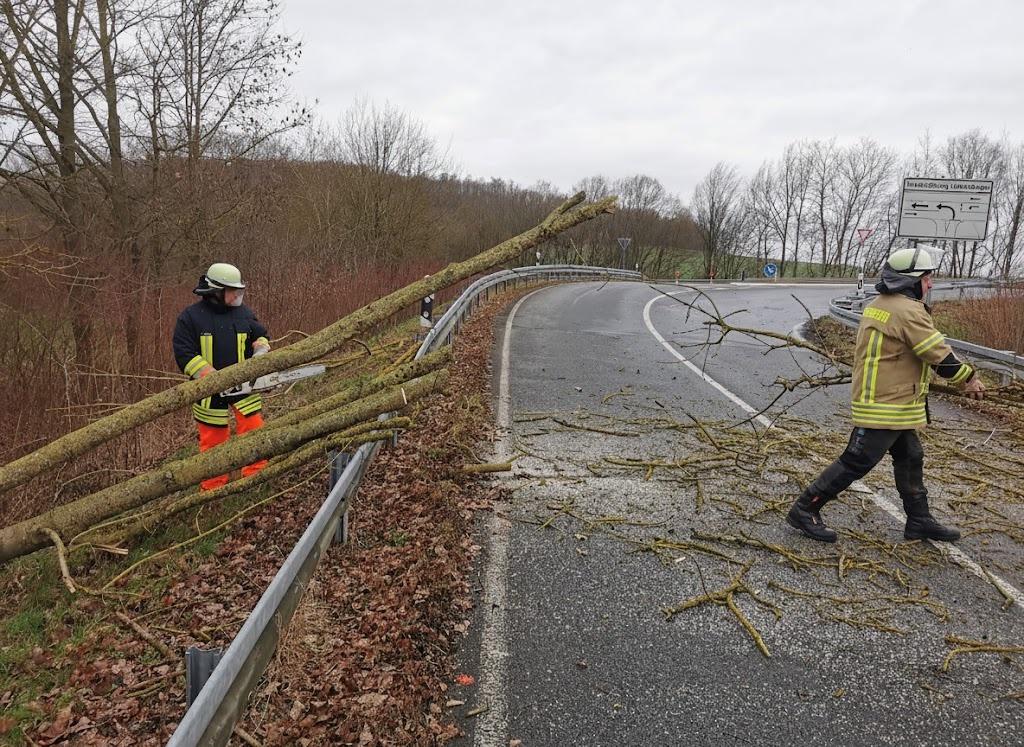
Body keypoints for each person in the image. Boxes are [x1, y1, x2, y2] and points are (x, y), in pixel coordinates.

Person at [786, 245, 985, 543]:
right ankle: (805, 508)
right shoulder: (906, 310)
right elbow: (938, 355)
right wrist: (968, 379)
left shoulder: (882, 302)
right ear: (911, 280)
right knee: (857, 460)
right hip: (884, 403)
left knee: (910, 456)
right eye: (927, 278)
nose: (930, 284)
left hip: (894, 401)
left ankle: (918, 520)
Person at [173, 263, 272, 490]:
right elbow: (185, 354)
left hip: (245, 387)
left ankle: (255, 477)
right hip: (208, 392)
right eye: (232, 291)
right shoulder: (190, 318)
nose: (237, 295)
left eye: (239, 291)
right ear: (216, 292)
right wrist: (212, 378)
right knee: (213, 442)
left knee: (253, 431)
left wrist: (261, 350)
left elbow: (261, 335)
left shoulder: (244, 313)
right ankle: (214, 487)